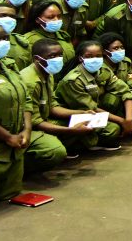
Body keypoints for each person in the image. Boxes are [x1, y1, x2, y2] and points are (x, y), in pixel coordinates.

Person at [19, 39, 92, 168]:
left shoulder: (48, 72)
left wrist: (80, 113)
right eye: (52, 56)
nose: (57, 59)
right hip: (27, 128)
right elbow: (36, 122)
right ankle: (21, 164)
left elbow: (52, 106)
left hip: (44, 119)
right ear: (37, 59)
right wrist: (70, 130)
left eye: (59, 55)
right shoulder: (31, 82)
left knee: (88, 125)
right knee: (56, 151)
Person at [55, 40, 132, 147]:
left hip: (93, 111)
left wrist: (129, 119)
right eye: (89, 56)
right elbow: (90, 108)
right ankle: (75, 143)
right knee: (112, 130)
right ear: (80, 58)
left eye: (98, 56)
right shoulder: (73, 80)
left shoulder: (103, 70)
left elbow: (124, 91)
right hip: (73, 115)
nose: (95, 59)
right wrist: (122, 121)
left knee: (116, 100)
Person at [0, 22, 32, 207]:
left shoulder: (9, 66)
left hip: (14, 149)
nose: (2, 43)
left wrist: (27, 129)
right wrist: (7, 137)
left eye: (5, 38)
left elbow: (26, 99)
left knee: (8, 199)